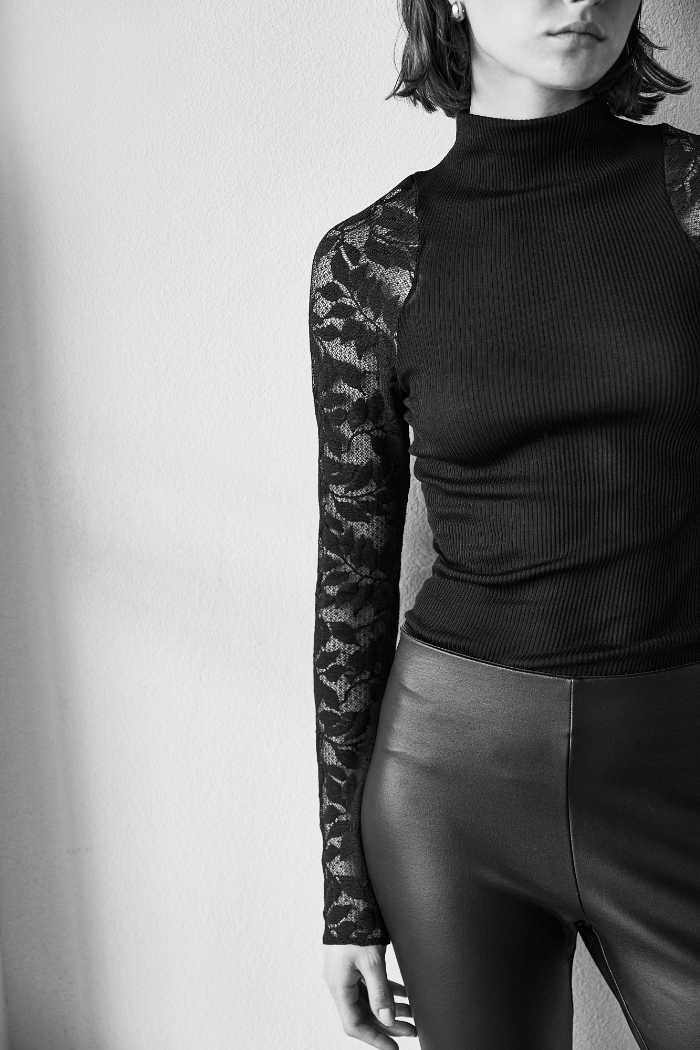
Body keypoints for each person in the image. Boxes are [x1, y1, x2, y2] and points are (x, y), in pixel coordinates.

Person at [307, 1, 700, 1047]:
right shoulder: (370, 260)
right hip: (449, 791)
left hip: (678, 759)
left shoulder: (694, 201)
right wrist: (347, 896)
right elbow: (350, 580)